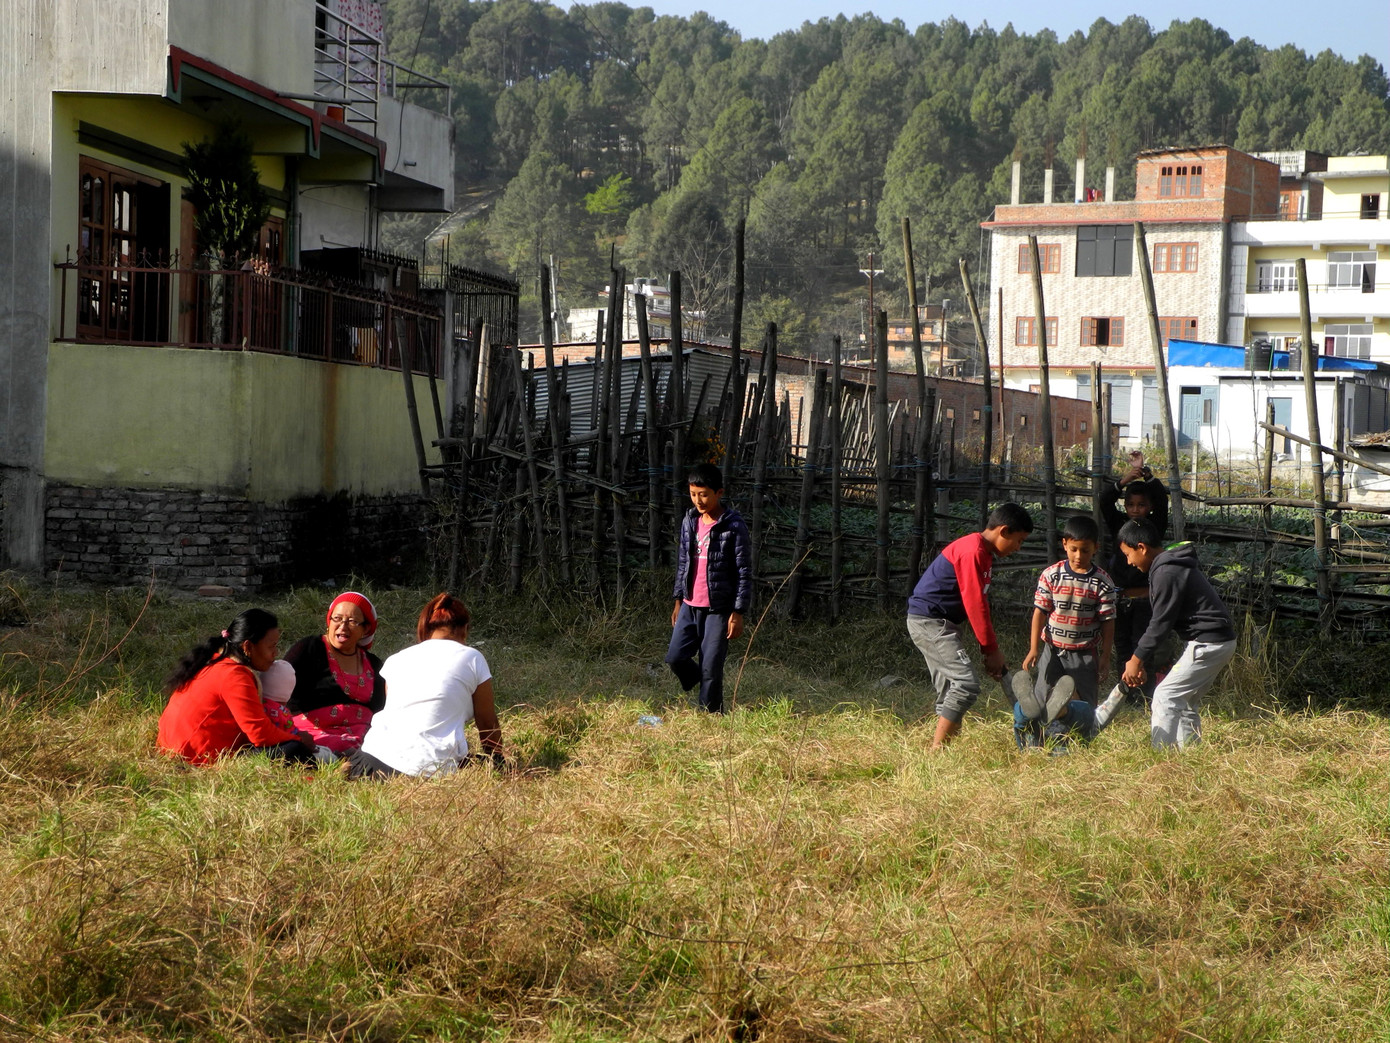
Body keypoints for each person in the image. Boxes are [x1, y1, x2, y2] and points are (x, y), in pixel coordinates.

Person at [907, 501, 1033, 749]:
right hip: (929, 622)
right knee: (965, 684)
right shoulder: (972, 551)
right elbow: (976, 605)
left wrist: (990, 650)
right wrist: (990, 650)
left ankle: (943, 753)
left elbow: (979, 603)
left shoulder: (984, 553)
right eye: (1019, 540)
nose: (1019, 548)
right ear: (1004, 531)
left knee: (952, 689)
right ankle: (937, 750)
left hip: (942, 624)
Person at [347, 593, 502, 778]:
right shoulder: (472, 657)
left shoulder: (396, 659)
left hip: (370, 760)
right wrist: (498, 762)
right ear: (465, 629)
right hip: (428, 769)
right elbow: (486, 722)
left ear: (426, 627)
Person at [1117, 520, 1237, 749]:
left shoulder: (1166, 571)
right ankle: (1191, 755)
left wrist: (1136, 659)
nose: (1128, 562)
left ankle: (1160, 758)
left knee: (1165, 696)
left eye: (1128, 554)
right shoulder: (1170, 566)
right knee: (1185, 701)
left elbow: (1160, 624)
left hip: (1208, 643)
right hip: (1217, 641)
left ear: (1142, 547)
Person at [157, 609, 317, 765]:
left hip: (171, 746)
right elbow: (260, 734)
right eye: (271, 646)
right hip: (196, 755)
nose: (275, 652)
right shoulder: (235, 675)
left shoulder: (213, 660)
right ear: (248, 647)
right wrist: (298, 739)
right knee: (293, 749)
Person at [1011, 514, 1117, 748]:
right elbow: (1040, 612)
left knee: (1084, 703)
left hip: (1085, 653)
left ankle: (1071, 742)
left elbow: (1108, 622)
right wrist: (1033, 649)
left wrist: (1106, 657)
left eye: (1086, 551)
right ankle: (1035, 734)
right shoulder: (1051, 575)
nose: (1079, 556)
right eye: (1074, 549)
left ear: (1095, 549)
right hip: (1053, 648)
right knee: (1042, 697)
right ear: (1065, 545)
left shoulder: (1102, 582)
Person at [665, 462, 753, 714]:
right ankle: (699, 682)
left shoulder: (733, 526)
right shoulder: (689, 521)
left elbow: (744, 571)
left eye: (703, 494)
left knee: (711, 666)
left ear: (719, 493)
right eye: (693, 494)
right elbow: (683, 562)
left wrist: (738, 612)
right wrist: (678, 599)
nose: (698, 500)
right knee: (675, 657)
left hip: (719, 608)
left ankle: (710, 714)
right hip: (690, 605)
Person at [1102, 451, 1170, 703]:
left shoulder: (1154, 527)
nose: (1136, 510)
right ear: (1125, 506)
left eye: (1141, 505)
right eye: (1131, 505)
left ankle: (1144, 694)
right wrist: (1123, 480)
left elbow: (1162, 500)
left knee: (1142, 647)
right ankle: (1124, 694)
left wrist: (1147, 475)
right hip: (1120, 598)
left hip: (1145, 599)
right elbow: (1104, 501)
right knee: (1122, 646)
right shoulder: (1119, 524)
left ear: (1149, 507)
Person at [283, 591, 386, 755]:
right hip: (315, 738)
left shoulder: (373, 663)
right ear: (329, 622)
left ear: (365, 629)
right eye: (337, 619)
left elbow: (382, 709)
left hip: (364, 739)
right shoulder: (310, 648)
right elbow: (278, 690)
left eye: (352, 621)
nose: (343, 626)